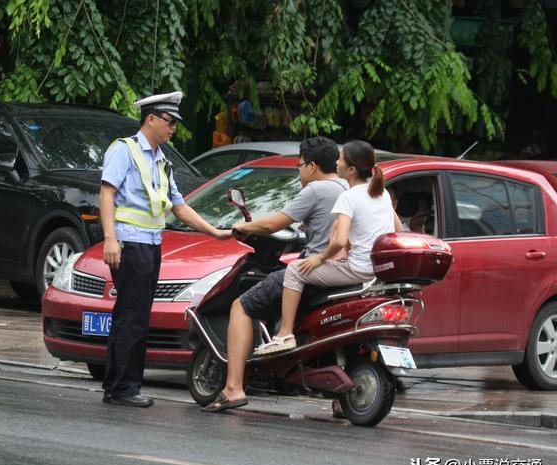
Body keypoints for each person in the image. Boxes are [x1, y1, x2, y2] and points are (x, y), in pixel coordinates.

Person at [100, 91, 231, 408]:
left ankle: (118, 384)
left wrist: (214, 232)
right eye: (169, 121)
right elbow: (106, 194)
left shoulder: (161, 160)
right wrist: (110, 239)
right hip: (131, 245)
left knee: (133, 316)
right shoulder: (125, 151)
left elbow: (179, 207)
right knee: (133, 317)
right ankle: (124, 387)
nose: (173, 128)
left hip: (151, 246)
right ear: (151, 119)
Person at [202, 136, 348, 412]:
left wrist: (240, 228)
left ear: (313, 166)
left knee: (242, 306)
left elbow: (273, 224)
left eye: (300, 165)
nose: (299, 170)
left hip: (311, 271)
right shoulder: (347, 187)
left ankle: (233, 388)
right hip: (342, 272)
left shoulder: (316, 190)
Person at [254, 139, 403, 356]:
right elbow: (397, 231)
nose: (336, 163)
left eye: (341, 159)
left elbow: (339, 241)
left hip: (358, 270)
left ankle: (284, 334)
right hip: (376, 269)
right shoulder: (382, 194)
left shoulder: (349, 196)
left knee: (295, 270)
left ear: (351, 169)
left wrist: (318, 259)